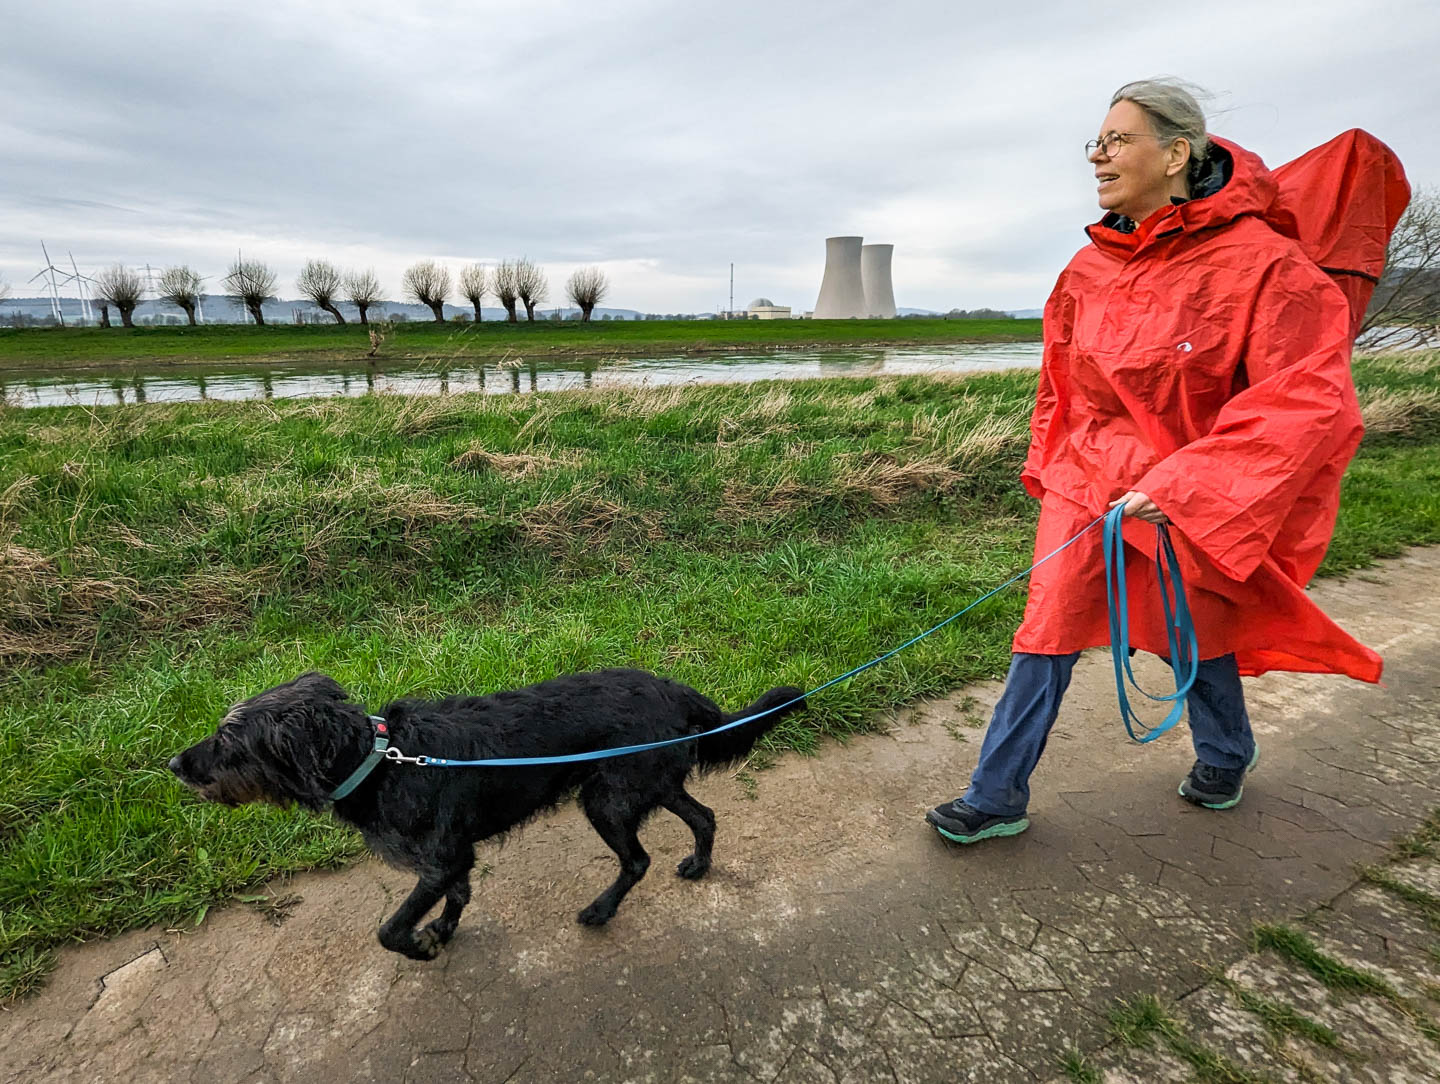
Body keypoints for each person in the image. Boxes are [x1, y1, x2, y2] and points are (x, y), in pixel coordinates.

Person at [927, 78, 1386, 845]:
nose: (1098, 156)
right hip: (1087, 482)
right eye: (1095, 143)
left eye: (1116, 140)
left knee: (1189, 628)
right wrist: (1051, 467)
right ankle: (995, 794)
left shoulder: (1266, 266)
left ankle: (1226, 752)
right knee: (1048, 625)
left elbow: (1306, 398)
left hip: (1189, 488)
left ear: (1176, 154)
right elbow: (1062, 382)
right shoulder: (1087, 269)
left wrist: (1185, 484)